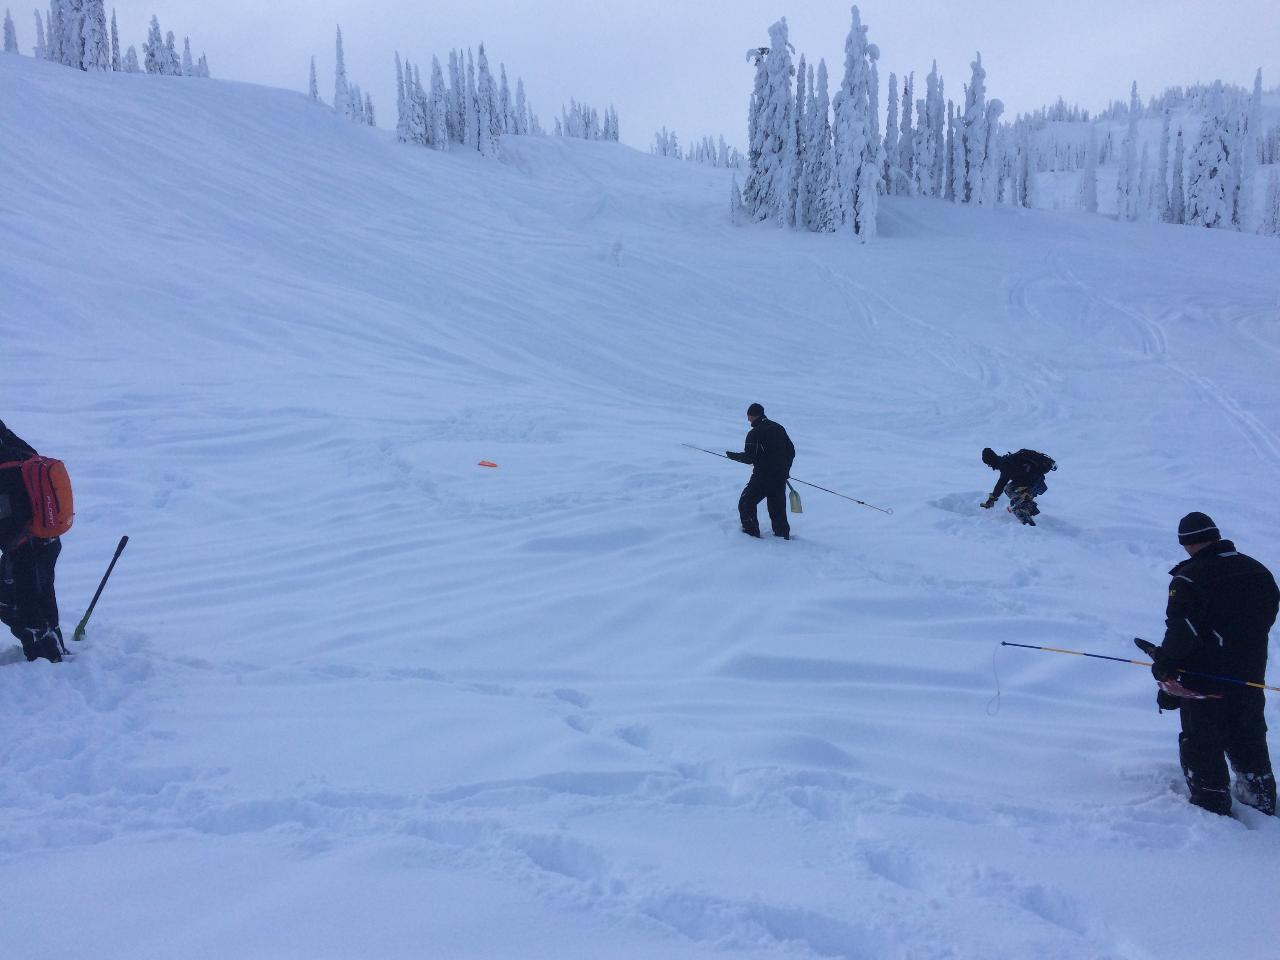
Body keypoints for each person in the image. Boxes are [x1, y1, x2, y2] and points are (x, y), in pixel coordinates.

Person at [1140, 512, 1278, 816]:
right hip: (1250, 677)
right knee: (1249, 737)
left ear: (1187, 543)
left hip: (1204, 679)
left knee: (1202, 741)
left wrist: (1164, 664)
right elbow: (1263, 620)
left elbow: (1183, 632)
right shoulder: (1259, 571)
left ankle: (1212, 807)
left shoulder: (1189, 578)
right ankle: (1262, 798)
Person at [0, 420, 65, 663]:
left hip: (22, 542)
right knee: (40, 593)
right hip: (46, 537)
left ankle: (45, 658)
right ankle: (51, 644)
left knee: (12, 597)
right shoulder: (13, 445)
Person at [726, 403, 795, 540]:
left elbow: (749, 458)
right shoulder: (779, 428)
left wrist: (734, 456)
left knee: (746, 503)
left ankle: (751, 535)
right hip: (779, 477)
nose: (748, 420)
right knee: (777, 508)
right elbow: (791, 451)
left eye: (749, 416)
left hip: (762, 477)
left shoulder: (755, 433)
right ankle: (782, 535)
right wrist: (785, 470)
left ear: (752, 415)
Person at [979, 447, 1053, 526]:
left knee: (1009, 489)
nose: (989, 466)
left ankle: (1026, 520)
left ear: (991, 461)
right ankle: (1030, 507)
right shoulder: (1007, 461)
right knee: (1012, 490)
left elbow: (1001, 484)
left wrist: (992, 498)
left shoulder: (1005, 464)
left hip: (1034, 482)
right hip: (1036, 482)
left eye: (988, 464)